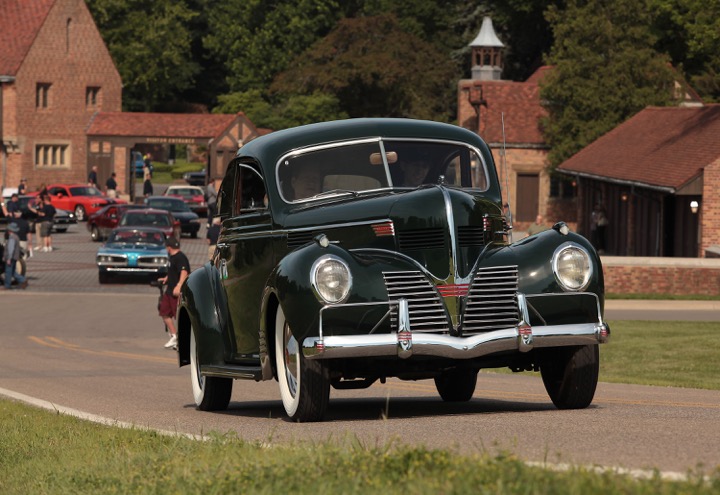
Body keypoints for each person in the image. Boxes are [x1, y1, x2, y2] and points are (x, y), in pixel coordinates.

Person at [157, 236, 190, 349]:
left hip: (176, 291)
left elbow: (184, 271)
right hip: (169, 290)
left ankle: (183, 339)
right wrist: (167, 278)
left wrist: (179, 285)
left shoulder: (180, 257)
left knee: (179, 316)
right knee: (164, 312)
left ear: (169, 247)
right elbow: (173, 271)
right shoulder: (172, 257)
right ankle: (174, 336)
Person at [2, 223, 28, 290]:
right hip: (15, 257)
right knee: (13, 272)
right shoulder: (16, 236)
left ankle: (7, 286)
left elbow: (11, 249)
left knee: (8, 272)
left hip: (11, 257)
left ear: (9, 230)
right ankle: (23, 280)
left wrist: (9, 258)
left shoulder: (12, 238)